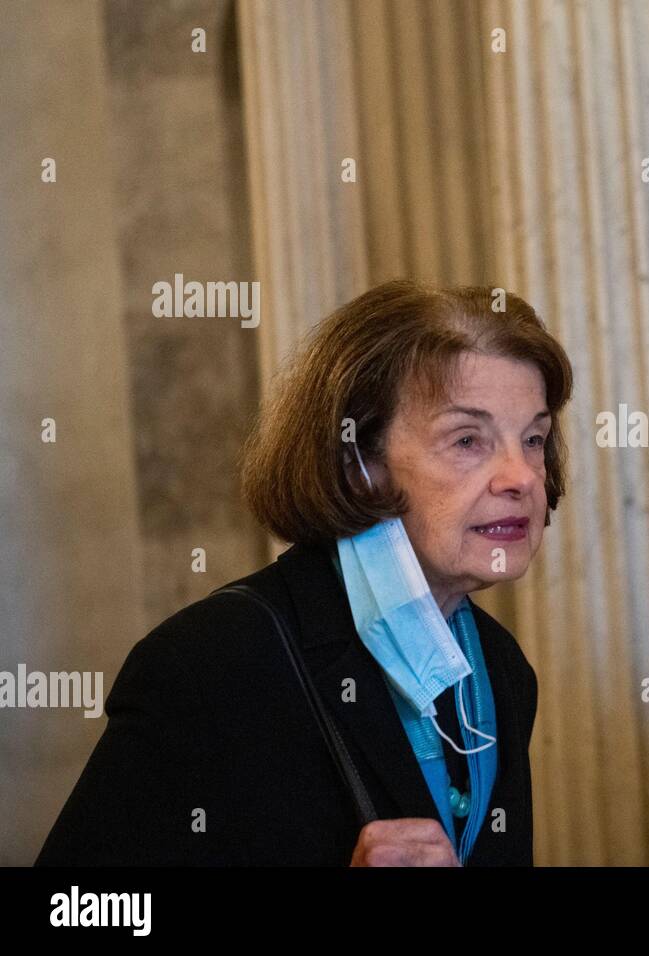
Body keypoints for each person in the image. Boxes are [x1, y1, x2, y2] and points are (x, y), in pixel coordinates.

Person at [35, 280, 572, 866]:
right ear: (359, 465)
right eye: (468, 439)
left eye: (534, 439)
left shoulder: (501, 670)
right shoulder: (209, 664)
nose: (521, 477)